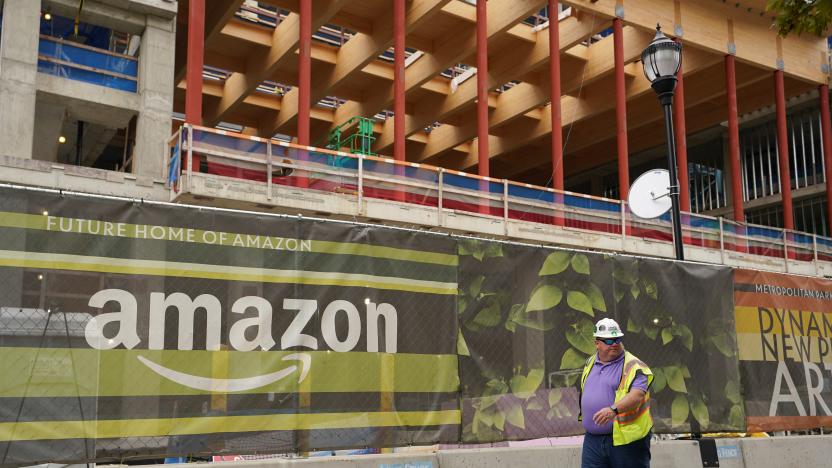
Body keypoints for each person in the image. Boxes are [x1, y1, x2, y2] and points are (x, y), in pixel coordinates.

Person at [579, 318, 654, 468]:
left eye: (617, 339)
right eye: (608, 340)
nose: (614, 343)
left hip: (626, 441)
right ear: (597, 343)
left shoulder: (634, 366)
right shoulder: (590, 362)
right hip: (592, 441)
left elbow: (637, 395)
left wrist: (613, 409)